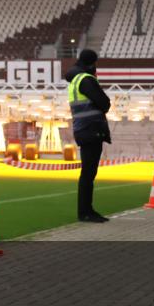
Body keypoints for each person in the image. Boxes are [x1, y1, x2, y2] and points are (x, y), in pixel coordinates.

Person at [65, 49, 111, 222]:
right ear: (92, 63)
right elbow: (105, 103)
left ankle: (86, 210)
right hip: (91, 129)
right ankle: (85, 212)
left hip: (83, 129)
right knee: (88, 173)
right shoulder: (86, 80)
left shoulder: (75, 80)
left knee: (88, 172)